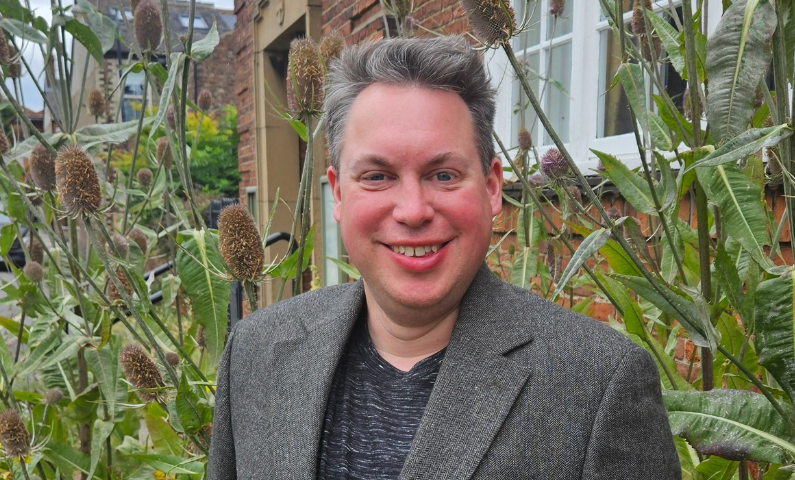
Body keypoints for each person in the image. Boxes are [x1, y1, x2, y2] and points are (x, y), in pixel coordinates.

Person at [208, 35, 681, 479]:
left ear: (492, 187)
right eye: (376, 176)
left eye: (443, 175)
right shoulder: (254, 353)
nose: (413, 211)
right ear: (337, 193)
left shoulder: (600, 384)